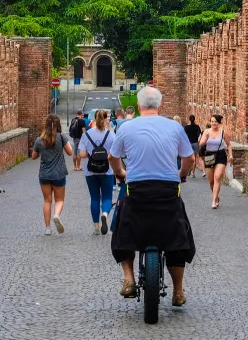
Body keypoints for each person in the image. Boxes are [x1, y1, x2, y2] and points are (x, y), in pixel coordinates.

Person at [108, 87, 196, 307]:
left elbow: (113, 156)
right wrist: (181, 175)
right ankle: (178, 291)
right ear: (161, 105)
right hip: (168, 190)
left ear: (138, 106)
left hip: (136, 190)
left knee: (120, 227)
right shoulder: (174, 127)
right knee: (179, 233)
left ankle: (128, 279)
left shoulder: (127, 128)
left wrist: (120, 173)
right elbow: (190, 158)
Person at [32, 114, 73, 235]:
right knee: (59, 199)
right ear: (58, 125)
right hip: (59, 173)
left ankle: (48, 228)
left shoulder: (39, 140)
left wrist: (41, 151)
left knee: (47, 201)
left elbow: (34, 156)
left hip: (44, 174)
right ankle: (56, 215)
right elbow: (70, 152)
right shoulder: (61, 137)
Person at [78, 109, 116, 236]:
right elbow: (115, 154)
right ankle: (105, 214)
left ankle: (96, 227)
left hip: (91, 171)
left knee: (94, 198)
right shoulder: (111, 134)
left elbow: (82, 154)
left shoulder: (86, 135)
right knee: (107, 197)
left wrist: (92, 154)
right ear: (106, 119)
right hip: (107, 170)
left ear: (94, 119)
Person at [197, 114, 233, 209]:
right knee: (211, 180)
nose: (213, 123)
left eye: (215, 122)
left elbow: (229, 145)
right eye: (212, 121)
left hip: (221, 155)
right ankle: (216, 196)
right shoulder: (206, 132)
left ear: (219, 123)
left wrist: (231, 155)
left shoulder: (223, 132)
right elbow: (201, 144)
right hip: (209, 155)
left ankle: (214, 200)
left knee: (217, 177)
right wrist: (204, 139)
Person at [183, 114, 203, 179]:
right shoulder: (197, 126)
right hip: (195, 143)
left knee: (188, 158)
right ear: (194, 119)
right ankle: (193, 173)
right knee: (194, 158)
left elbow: (183, 136)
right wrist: (199, 141)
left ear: (189, 119)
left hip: (188, 144)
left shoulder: (186, 127)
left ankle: (189, 169)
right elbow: (200, 134)